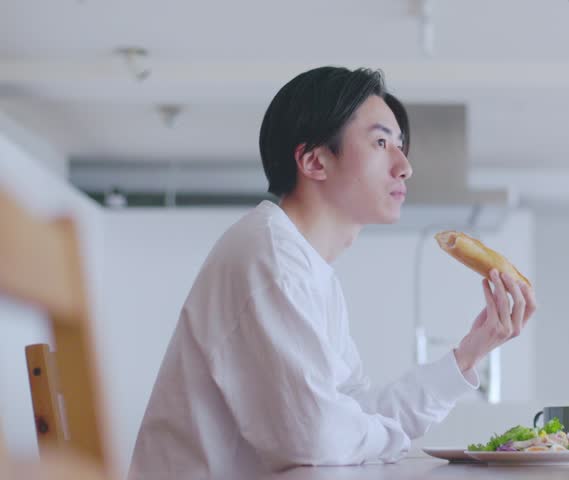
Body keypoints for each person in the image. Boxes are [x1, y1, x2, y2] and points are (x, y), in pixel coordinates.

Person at [127, 66, 536, 478]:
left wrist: (471, 351)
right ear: (314, 161)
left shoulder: (305, 265)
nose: (405, 166)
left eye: (401, 145)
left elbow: (354, 410)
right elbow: (316, 437)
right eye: (381, 142)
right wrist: (386, 438)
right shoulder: (271, 256)